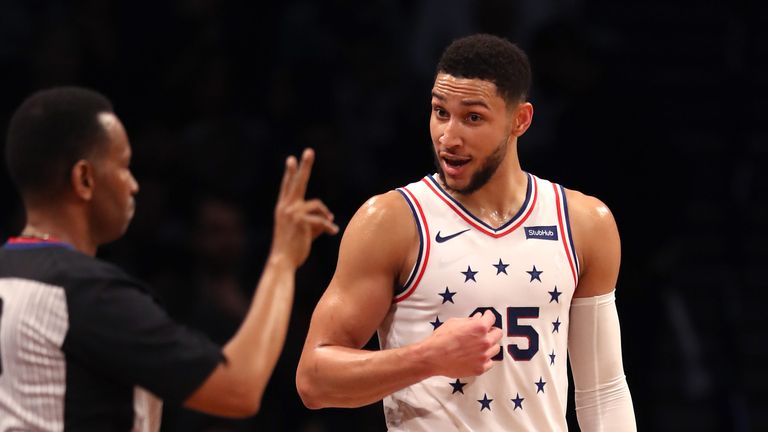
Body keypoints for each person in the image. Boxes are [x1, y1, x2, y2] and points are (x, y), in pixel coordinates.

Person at [296, 33, 636, 431]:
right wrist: (428, 357)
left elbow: (604, 391)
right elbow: (314, 380)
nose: (448, 137)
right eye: (441, 112)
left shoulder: (583, 222)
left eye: (472, 117)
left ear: (520, 120)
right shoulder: (391, 221)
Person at [0, 86, 338, 430]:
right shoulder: (86, 292)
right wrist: (282, 258)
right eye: (124, 166)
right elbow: (239, 388)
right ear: (84, 179)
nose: (133, 185)